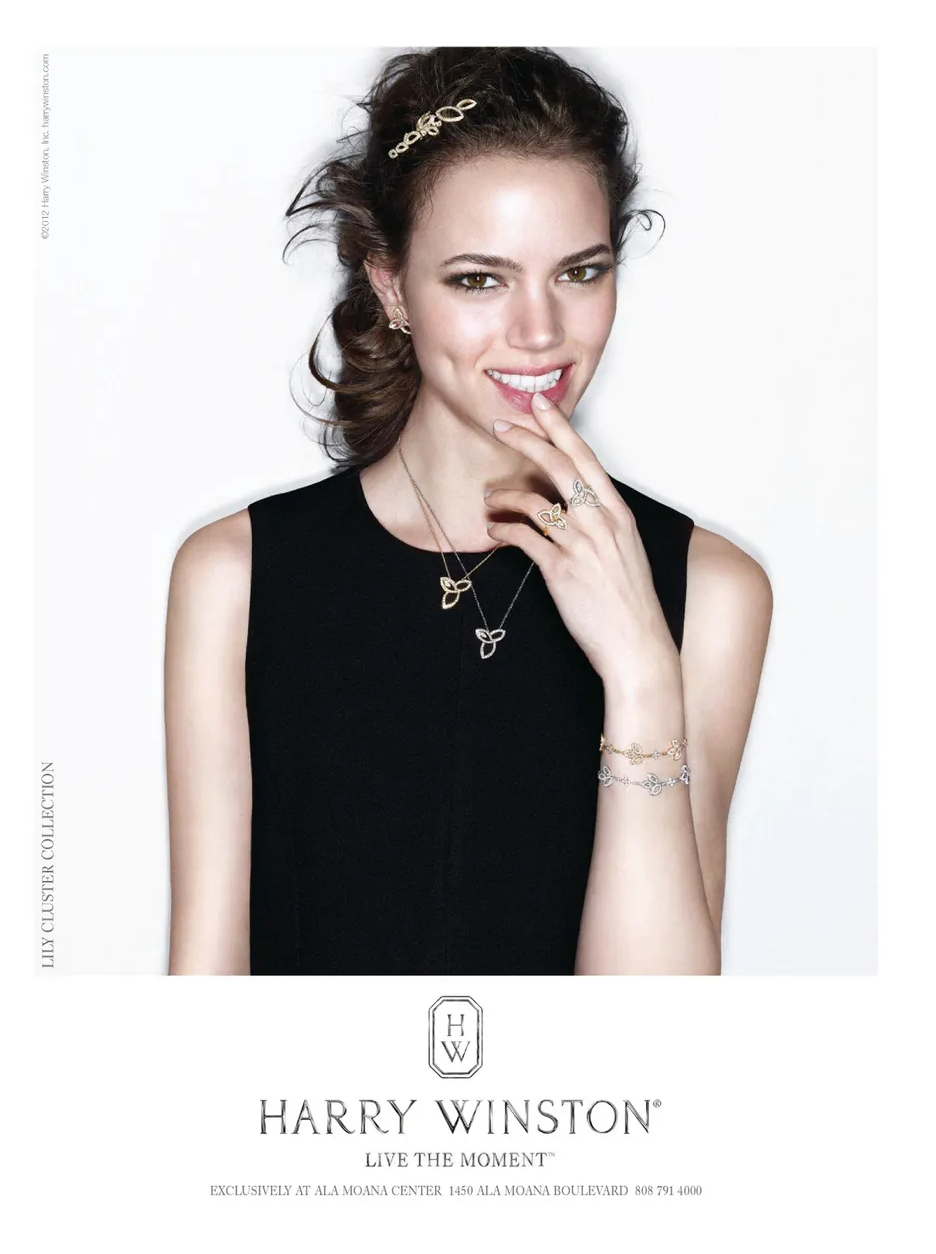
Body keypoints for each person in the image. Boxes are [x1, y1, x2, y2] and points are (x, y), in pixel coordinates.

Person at [165, 47, 772, 976]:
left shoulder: (713, 592)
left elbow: (656, 1035)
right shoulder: (237, 578)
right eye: (480, 279)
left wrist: (643, 674)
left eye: (580, 272)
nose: (540, 332)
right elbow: (202, 1002)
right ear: (391, 285)